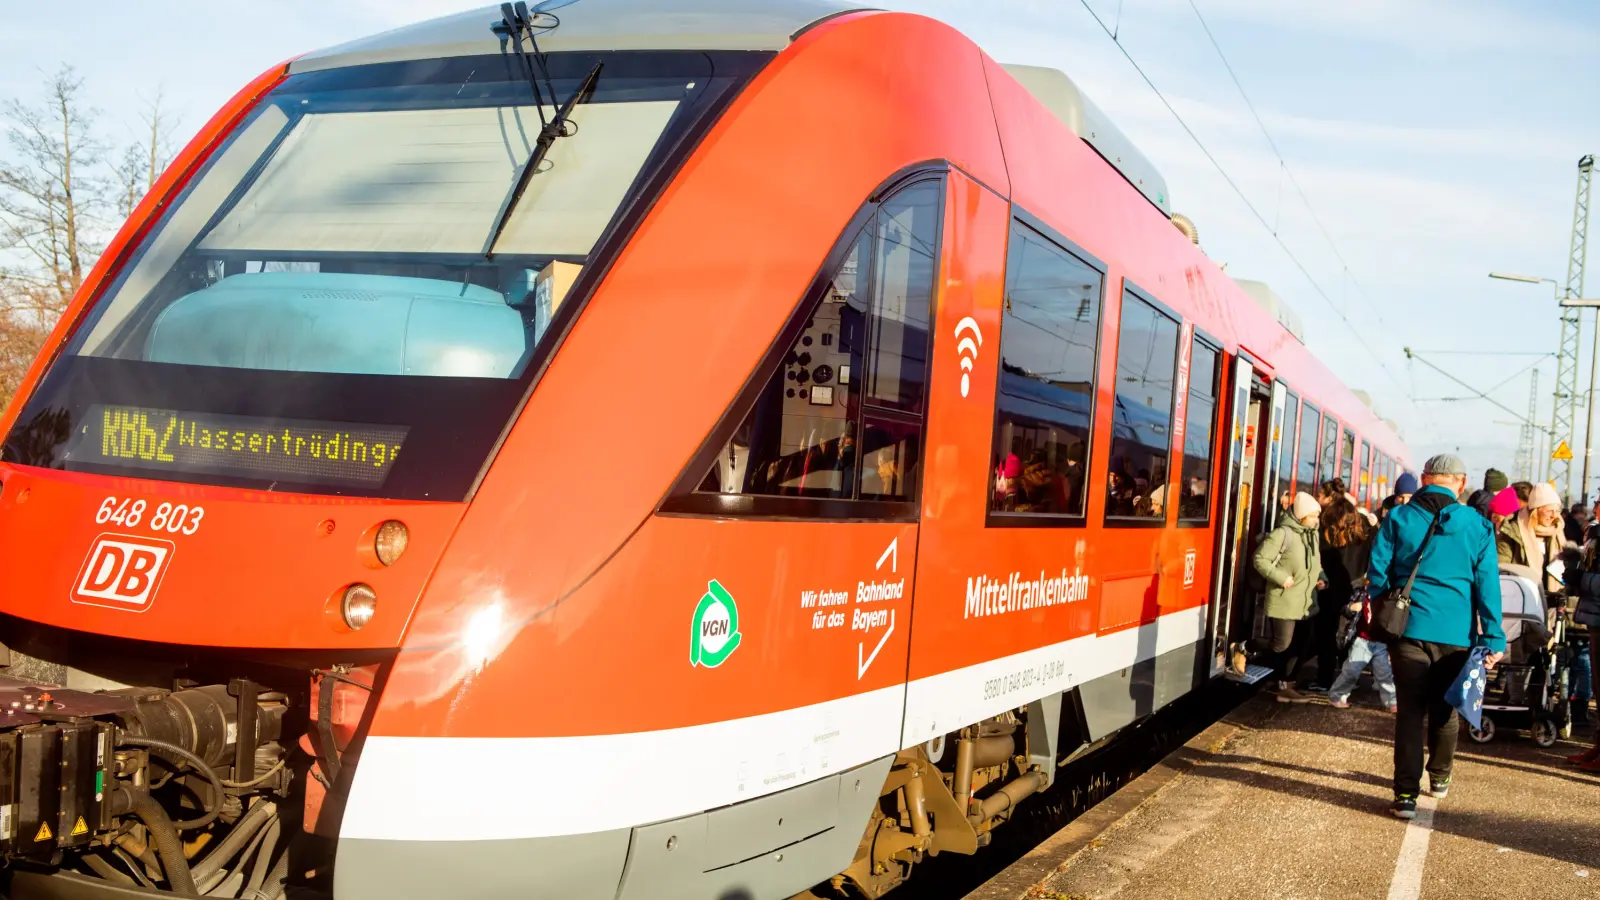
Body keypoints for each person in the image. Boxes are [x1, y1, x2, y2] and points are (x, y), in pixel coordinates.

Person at [1367, 454, 1506, 820]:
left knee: (1410, 712)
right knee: (1445, 708)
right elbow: (1487, 586)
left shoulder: (1398, 517)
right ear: (1460, 483)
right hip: (1456, 635)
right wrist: (1493, 636)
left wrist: (1384, 606)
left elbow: (1377, 572)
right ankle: (1440, 777)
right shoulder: (1477, 526)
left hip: (1408, 629)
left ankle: (1406, 796)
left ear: (1426, 478)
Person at [1322, 497, 1395, 710]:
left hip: (1345, 593)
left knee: (1373, 668)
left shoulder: (1330, 534)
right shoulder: (1369, 533)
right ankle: (1337, 694)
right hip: (1357, 603)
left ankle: (1390, 701)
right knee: (1357, 666)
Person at [1253, 491, 1325, 703]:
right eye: (1313, 516)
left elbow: (1316, 564)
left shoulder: (1312, 535)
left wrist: (1323, 578)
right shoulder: (1283, 534)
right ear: (1302, 516)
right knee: (1281, 644)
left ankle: (1286, 684)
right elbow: (1260, 559)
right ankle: (1249, 649)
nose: (1316, 520)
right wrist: (1281, 577)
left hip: (1305, 601)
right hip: (1284, 599)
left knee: (1300, 645)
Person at [1496, 481, 1564, 597]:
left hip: (1553, 600)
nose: (1554, 515)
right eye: (1549, 511)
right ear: (1535, 510)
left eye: (1557, 511)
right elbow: (1501, 567)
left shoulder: (1557, 531)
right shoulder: (1512, 531)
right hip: (1521, 598)